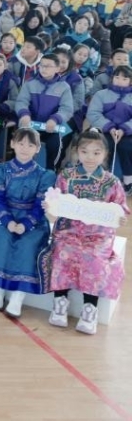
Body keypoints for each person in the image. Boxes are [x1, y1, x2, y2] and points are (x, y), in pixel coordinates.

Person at [43, 130, 128, 334]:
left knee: (95, 260)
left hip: (98, 235)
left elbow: (121, 207)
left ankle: (90, 309)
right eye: (85, 151)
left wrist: (120, 217)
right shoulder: (66, 176)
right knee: (62, 253)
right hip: (68, 230)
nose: (90, 157)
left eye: (96, 153)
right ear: (76, 152)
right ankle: (60, 302)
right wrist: (51, 207)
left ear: (105, 154)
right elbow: (56, 202)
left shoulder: (112, 182)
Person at [0, 128, 55, 318]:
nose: (25, 148)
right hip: (5, 214)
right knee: (0, 236)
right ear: (12, 144)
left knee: (28, 244)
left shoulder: (44, 175)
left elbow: (40, 204)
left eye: (30, 145)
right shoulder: (1, 169)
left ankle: (18, 296)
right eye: (21, 143)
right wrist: (7, 220)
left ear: (37, 149)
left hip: (33, 218)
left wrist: (26, 224)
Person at [15, 54, 73, 171]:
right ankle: (22, 169)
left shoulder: (64, 87)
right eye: (41, 65)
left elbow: (67, 109)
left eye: (48, 66)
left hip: (52, 127)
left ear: (57, 68)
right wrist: (24, 114)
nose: (44, 69)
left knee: (55, 144)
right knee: (24, 143)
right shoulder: (30, 83)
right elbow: (21, 101)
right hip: (30, 125)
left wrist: (55, 119)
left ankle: (51, 170)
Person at [85, 64, 132, 191]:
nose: (120, 80)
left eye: (124, 78)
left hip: (127, 132)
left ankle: (128, 181)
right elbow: (93, 113)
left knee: (127, 147)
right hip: (104, 129)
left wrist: (123, 129)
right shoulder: (101, 94)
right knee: (104, 145)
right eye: (117, 77)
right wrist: (109, 127)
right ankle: (100, 178)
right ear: (112, 78)